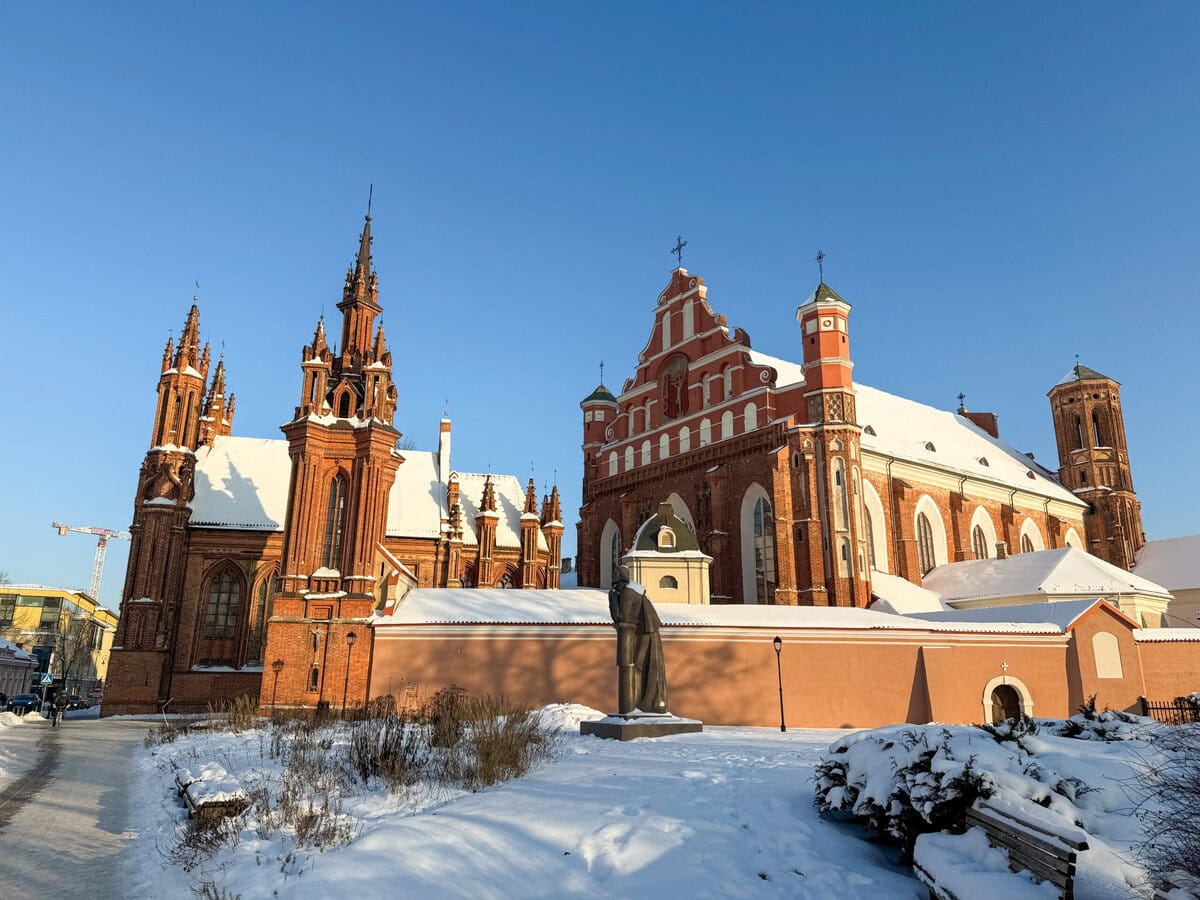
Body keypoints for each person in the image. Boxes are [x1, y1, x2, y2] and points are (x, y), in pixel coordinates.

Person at [608, 565, 669, 715]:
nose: (612, 576)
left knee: (639, 666)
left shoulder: (628, 592)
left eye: (615, 574)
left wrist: (612, 599)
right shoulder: (628, 590)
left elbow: (623, 618)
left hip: (645, 632)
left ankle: (645, 704)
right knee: (640, 667)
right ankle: (642, 703)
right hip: (642, 632)